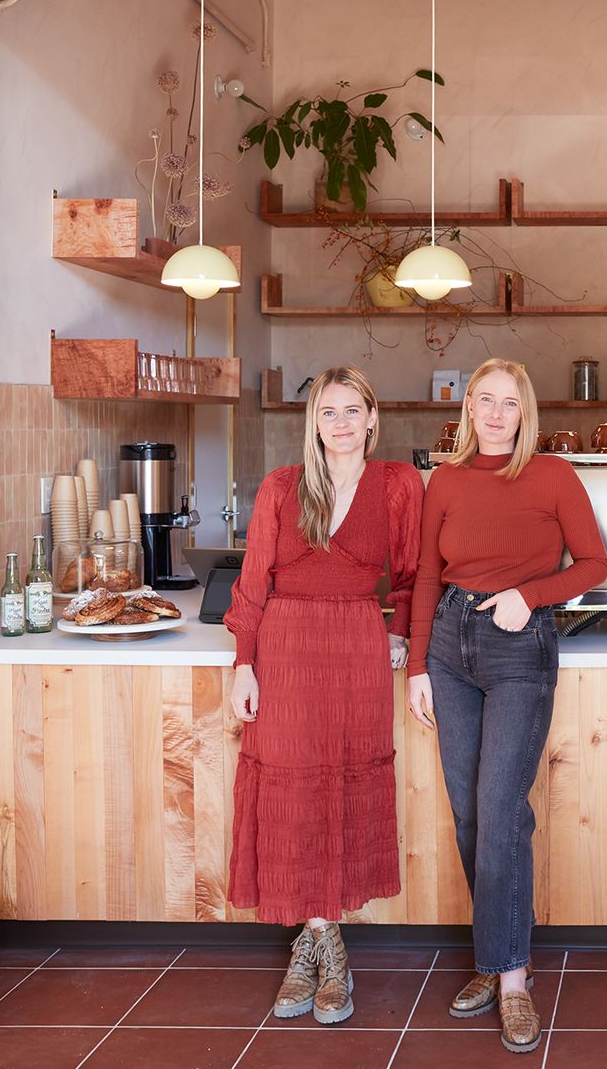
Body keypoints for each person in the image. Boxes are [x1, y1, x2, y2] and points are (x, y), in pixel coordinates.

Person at [406, 358, 607, 1054]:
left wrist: (531, 595)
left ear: (526, 414)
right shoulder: (446, 479)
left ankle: (513, 981)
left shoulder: (553, 476)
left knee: (500, 815)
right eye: (483, 401)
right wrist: (416, 665)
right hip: (450, 651)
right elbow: (427, 574)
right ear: (467, 409)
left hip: (520, 647)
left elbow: (593, 563)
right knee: (469, 814)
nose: (494, 414)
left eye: (507, 403)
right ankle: (497, 959)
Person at [224, 366, 421, 1026]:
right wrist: (242, 663)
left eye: (350, 411)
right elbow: (252, 586)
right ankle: (327, 948)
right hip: (285, 651)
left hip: (357, 651)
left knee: (341, 789)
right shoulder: (281, 488)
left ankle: (310, 952)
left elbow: (415, 576)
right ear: (314, 424)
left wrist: (398, 633)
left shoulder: (398, 485)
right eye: (327, 412)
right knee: (294, 793)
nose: (339, 423)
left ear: (372, 419)